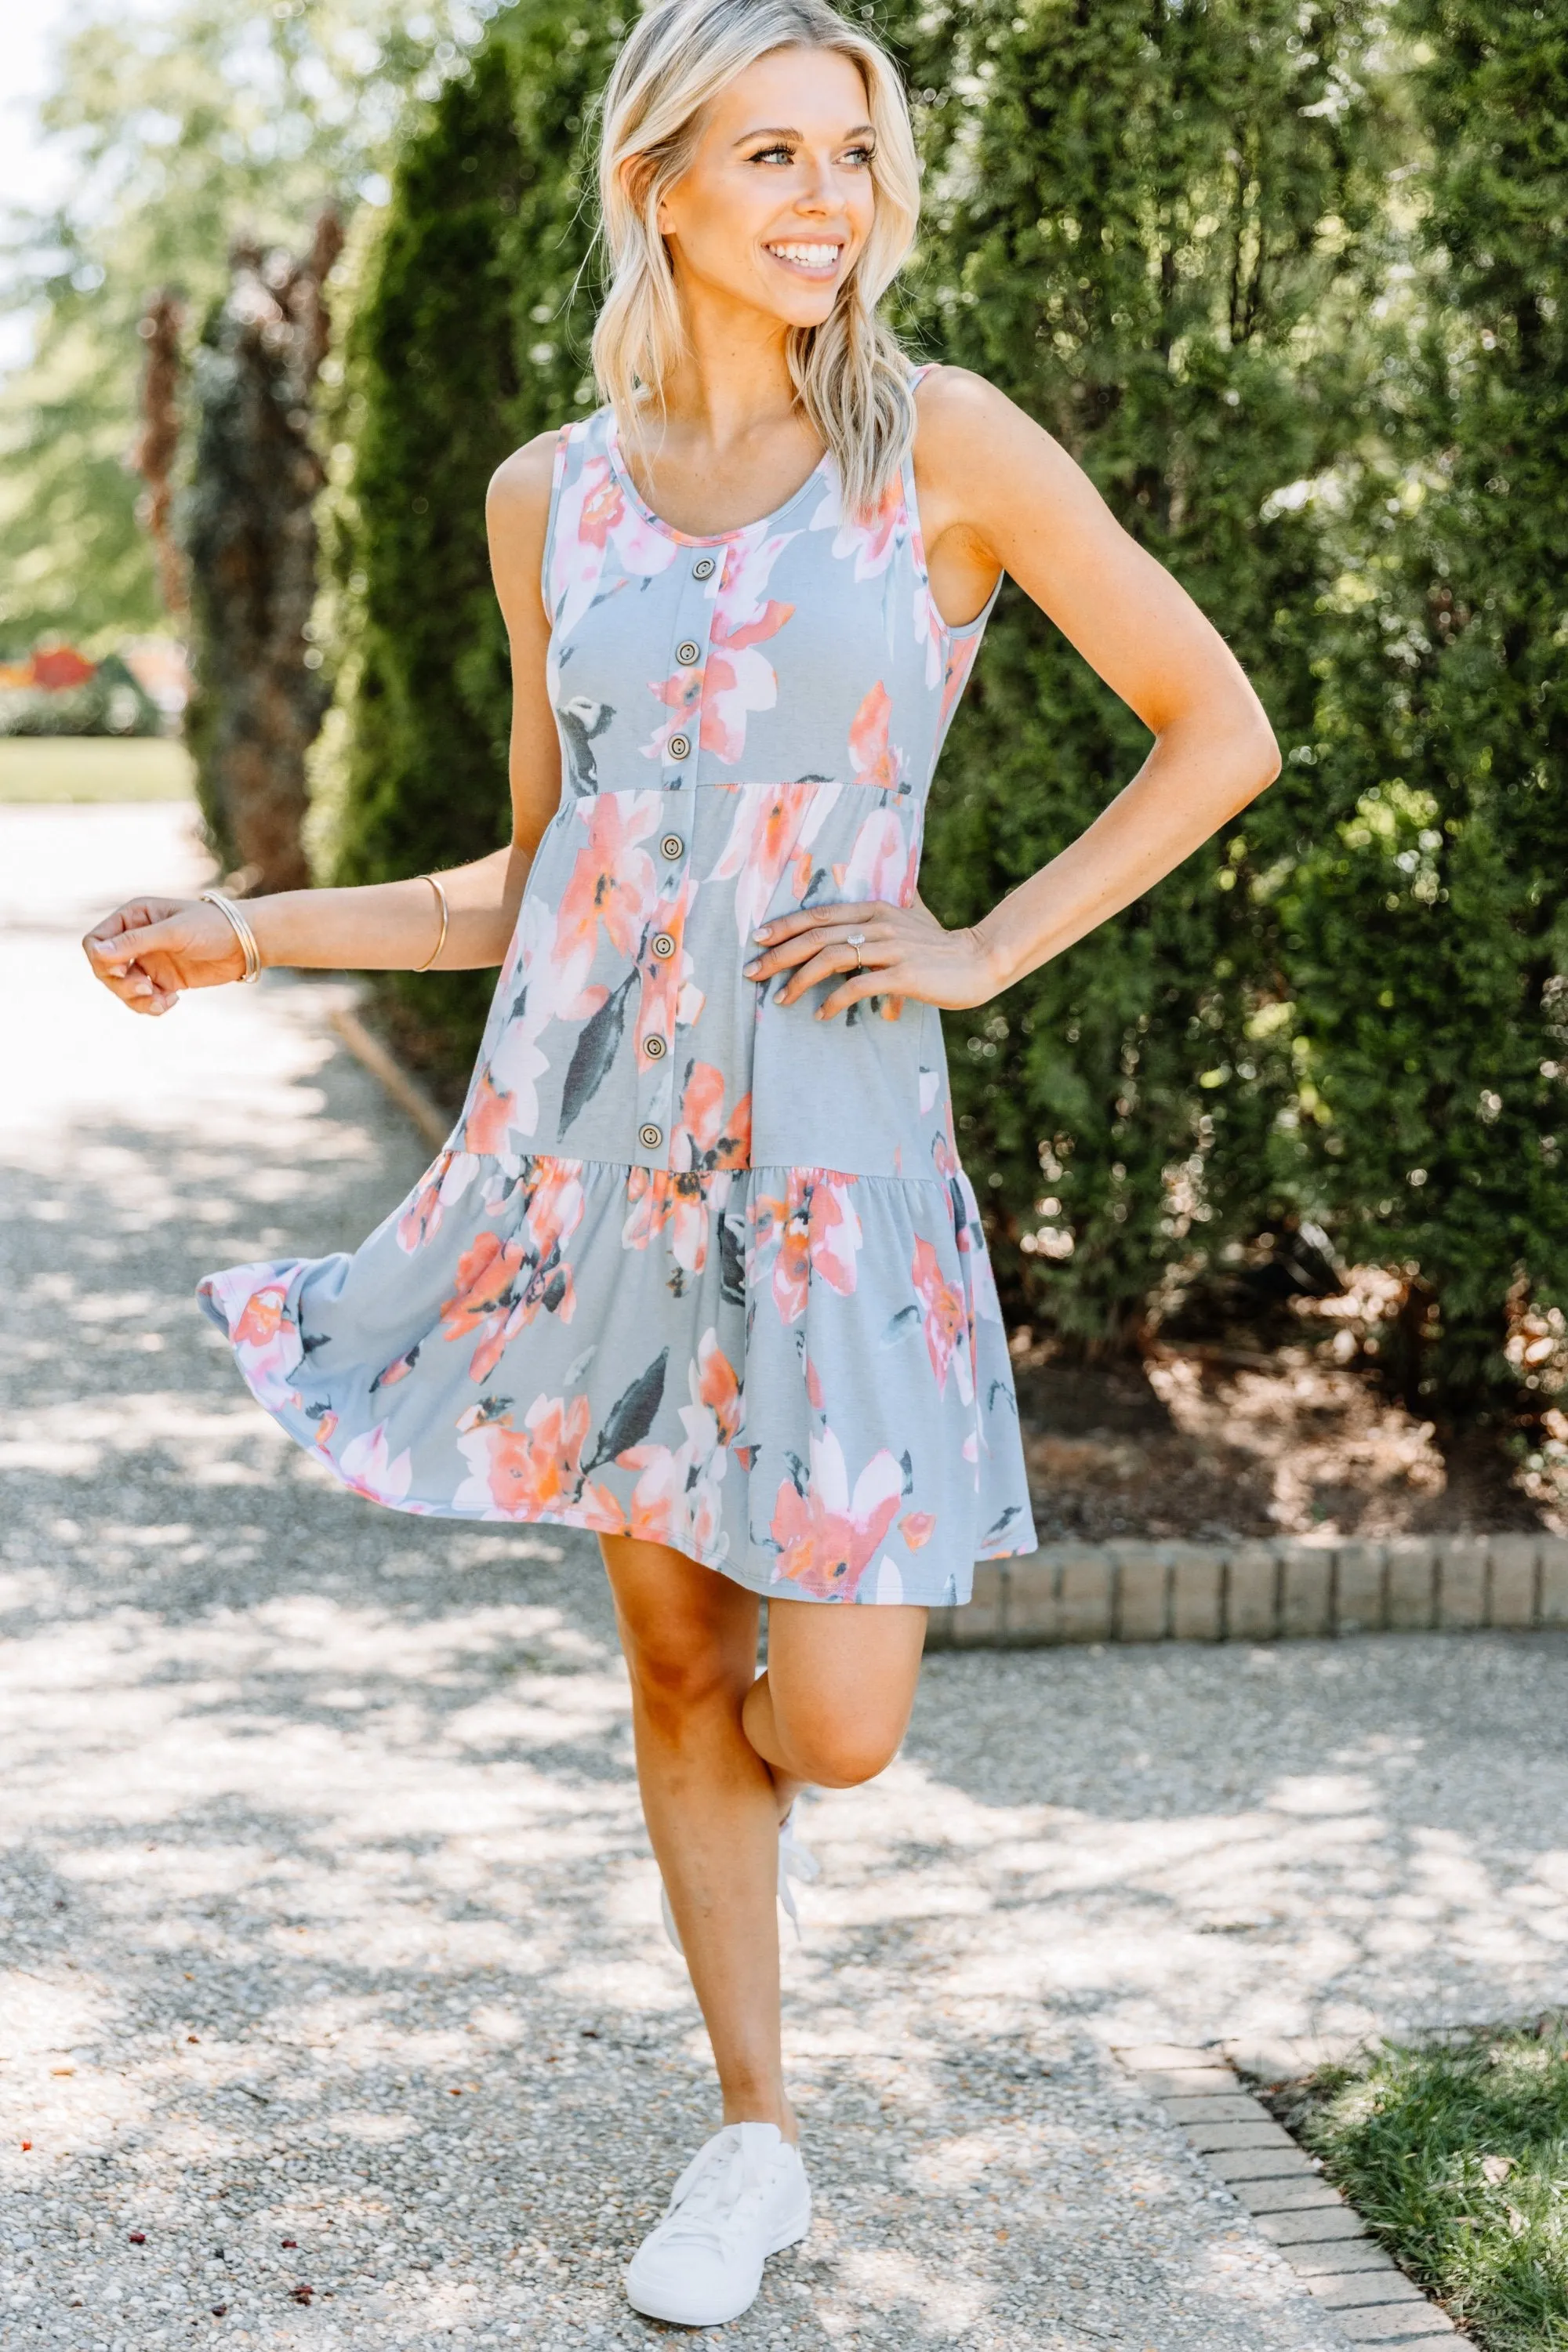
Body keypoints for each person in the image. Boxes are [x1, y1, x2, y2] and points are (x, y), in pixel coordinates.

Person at [85, 0, 1280, 2325]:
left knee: (836, 1717)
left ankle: (760, 1865)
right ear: (659, 186)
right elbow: (539, 878)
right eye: (774, 157)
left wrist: (981, 943)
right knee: (672, 1669)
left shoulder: (946, 447)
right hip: (603, 1169)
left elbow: (1213, 725)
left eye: (854, 155)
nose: (829, 201)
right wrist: (245, 929)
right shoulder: (556, 494)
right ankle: (752, 2134)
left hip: (837, 1174)